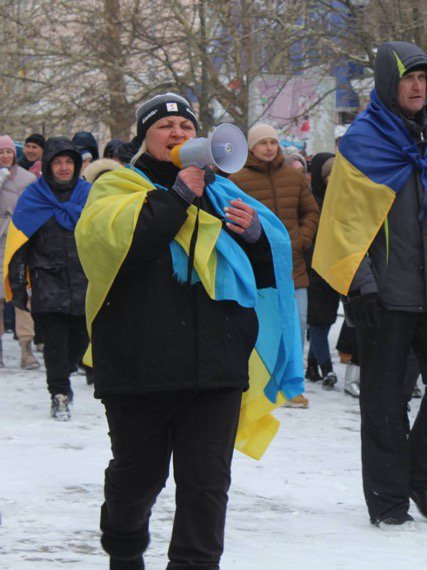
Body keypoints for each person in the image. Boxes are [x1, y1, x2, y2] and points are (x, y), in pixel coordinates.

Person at [75, 92, 299, 569]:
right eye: (164, 126)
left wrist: (257, 237)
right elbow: (116, 250)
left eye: (185, 126)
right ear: (144, 137)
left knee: (206, 486)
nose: (177, 133)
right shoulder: (116, 188)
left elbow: (261, 276)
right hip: (140, 366)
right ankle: (125, 549)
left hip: (215, 365)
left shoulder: (223, 194)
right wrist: (177, 197)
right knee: (139, 479)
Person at [313, 41, 427, 527]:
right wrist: (360, 285)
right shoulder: (363, 142)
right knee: (386, 401)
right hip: (386, 295)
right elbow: (345, 223)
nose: (418, 86)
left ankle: (419, 477)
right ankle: (388, 499)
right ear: (390, 82)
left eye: (424, 79)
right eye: (409, 78)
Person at [230, 123, 319, 407]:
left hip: (294, 268)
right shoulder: (237, 179)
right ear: (251, 147)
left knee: (297, 325)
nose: (268, 148)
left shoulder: (294, 177)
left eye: (272, 142)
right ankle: (254, 381)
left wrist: (302, 238)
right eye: (262, 143)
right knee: (260, 327)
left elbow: (311, 212)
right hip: (258, 270)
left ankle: (293, 385)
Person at [6, 138, 90, 419]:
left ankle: (62, 377)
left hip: (83, 282)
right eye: (58, 162)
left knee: (78, 343)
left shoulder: (90, 196)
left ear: (76, 165)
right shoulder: (33, 197)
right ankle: (59, 394)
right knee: (54, 345)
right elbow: (19, 245)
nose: (64, 168)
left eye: (68, 162)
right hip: (47, 282)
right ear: (49, 166)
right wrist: (18, 286)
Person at [0, 135, 39, 370]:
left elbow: (33, 206)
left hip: (18, 239)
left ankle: (26, 347)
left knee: (21, 293)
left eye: (7, 152)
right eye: (0, 152)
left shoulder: (27, 179)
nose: (4, 156)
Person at [305, 152, 340, 389]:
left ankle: (311, 366)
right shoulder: (311, 202)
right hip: (315, 270)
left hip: (334, 269)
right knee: (319, 322)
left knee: (325, 322)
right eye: (330, 174)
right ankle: (327, 369)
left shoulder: (337, 199)